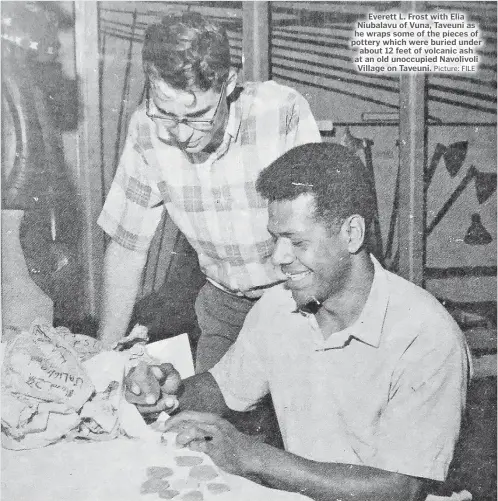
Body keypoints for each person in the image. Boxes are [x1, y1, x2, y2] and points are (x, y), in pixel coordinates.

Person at [125, 142, 471, 501]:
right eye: (275, 239)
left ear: (351, 234)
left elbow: (401, 487)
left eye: (297, 242)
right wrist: (171, 391)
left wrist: (251, 456)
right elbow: (225, 387)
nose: (278, 257)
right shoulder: (279, 306)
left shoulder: (426, 335)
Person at [96, 12, 322, 374]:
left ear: (229, 84)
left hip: (296, 300)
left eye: (197, 115)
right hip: (224, 309)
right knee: (204, 423)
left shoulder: (280, 112)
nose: (181, 133)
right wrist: (104, 357)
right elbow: (126, 249)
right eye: (166, 114)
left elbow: (318, 238)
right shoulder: (146, 130)